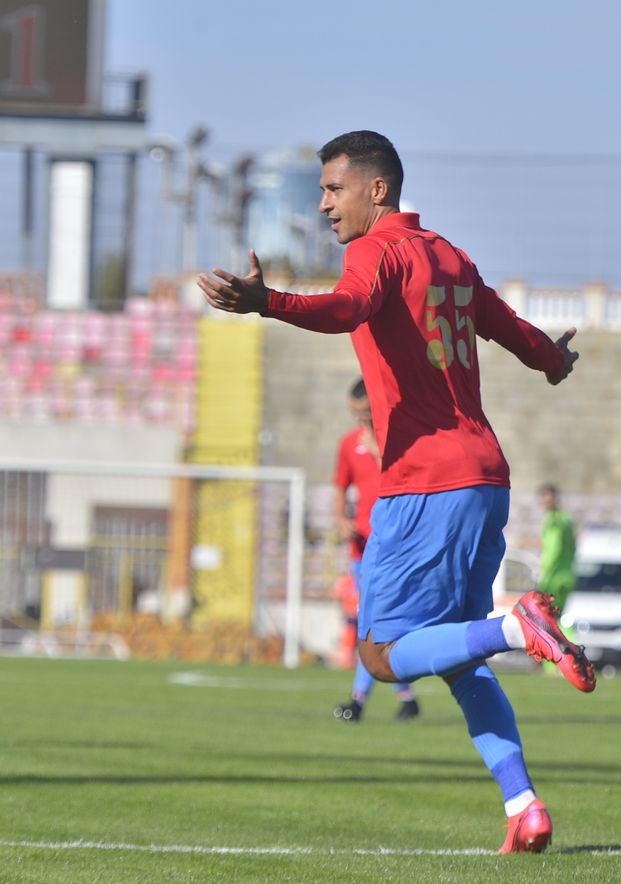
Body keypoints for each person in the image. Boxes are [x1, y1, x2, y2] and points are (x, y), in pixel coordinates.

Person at [197, 129, 595, 855]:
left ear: (377, 189)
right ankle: (524, 806)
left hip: (423, 485)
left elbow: (347, 308)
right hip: (485, 479)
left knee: (382, 656)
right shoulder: (448, 254)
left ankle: (517, 627)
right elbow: (511, 330)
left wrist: (268, 302)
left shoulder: (374, 251)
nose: (323, 204)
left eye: (332, 188)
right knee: (457, 662)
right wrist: (551, 360)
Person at [331, 377, 419, 723]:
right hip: (362, 550)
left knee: (379, 624)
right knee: (374, 624)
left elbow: (409, 479)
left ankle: (366, 699)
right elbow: (340, 487)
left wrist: (379, 448)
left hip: (396, 548)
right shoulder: (348, 445)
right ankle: (394, 697)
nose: (361, 423)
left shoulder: (398, 441)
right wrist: (340, 518)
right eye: (355, 415)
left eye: (366, 415)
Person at [536, 483, 576, 613]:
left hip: (555, 577)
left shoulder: (556, 520)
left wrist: (543, 573)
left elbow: (555, 549)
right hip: (564, 575)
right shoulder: (562, 518)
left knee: (551, 618)